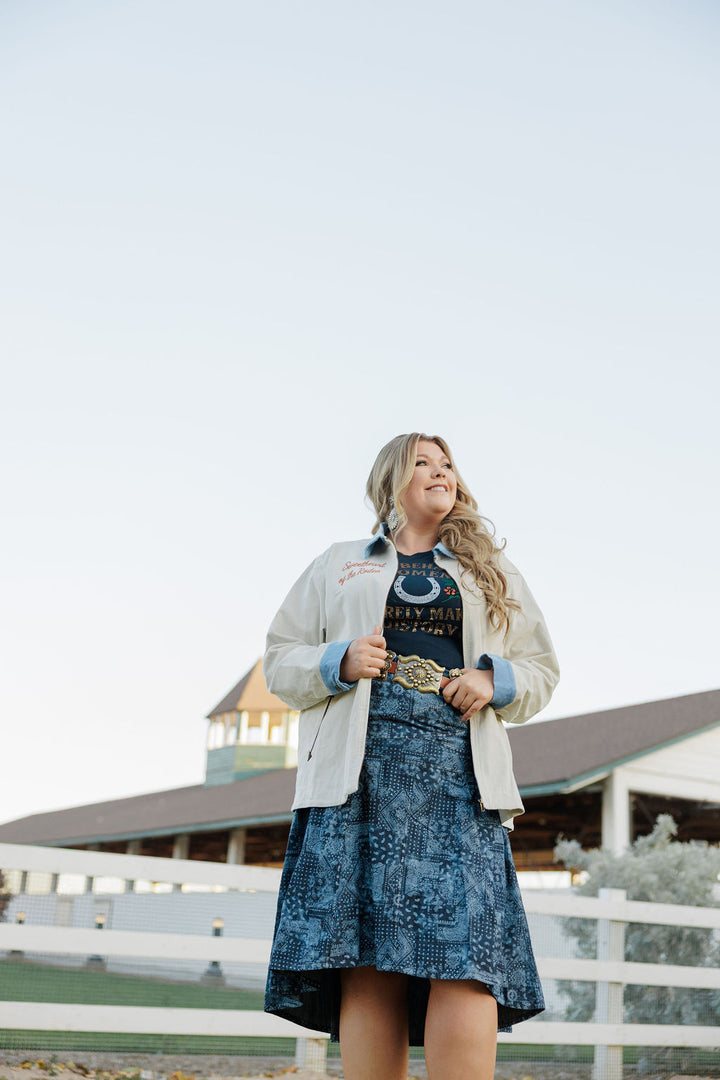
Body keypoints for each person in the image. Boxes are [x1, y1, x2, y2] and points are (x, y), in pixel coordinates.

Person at [263, 432, 560, 1080]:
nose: (439, 472)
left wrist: (494, 679)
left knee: (468, 960)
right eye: (422, 462)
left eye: (447, 463)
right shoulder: (339, 562)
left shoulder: (489, 568)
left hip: (459, 780)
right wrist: (337, 660)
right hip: (356, 779)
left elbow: (542, 668)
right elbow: (279, 659)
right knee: (368, 962)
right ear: (390, 482)